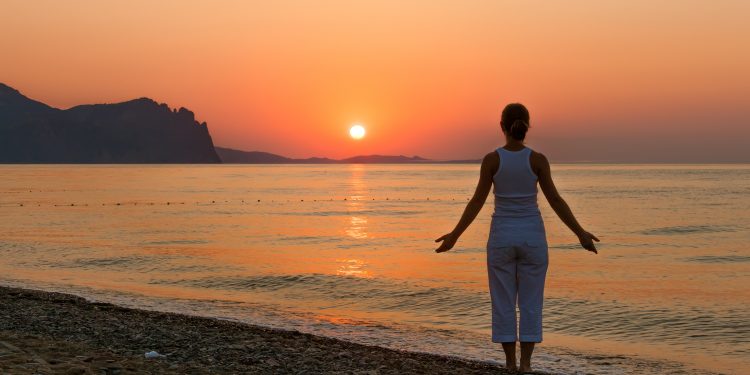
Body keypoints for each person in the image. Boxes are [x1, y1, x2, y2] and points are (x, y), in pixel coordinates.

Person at [434, 103, 599, 373]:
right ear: (527, 125)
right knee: (531, 303)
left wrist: (455, 235)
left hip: (501, 238)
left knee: (503, 302)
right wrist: (579, 233)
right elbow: (555, 200)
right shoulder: (537, 160)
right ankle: (526, 365)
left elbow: (477, 201)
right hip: (532, 238)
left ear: (502, 126)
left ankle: (509, 364)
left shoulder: (492, 160)